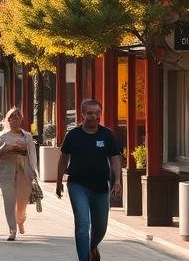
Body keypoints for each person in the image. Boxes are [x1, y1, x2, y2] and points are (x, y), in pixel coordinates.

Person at [56, 99, 123, 261]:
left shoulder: (106, 135)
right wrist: (59, 182)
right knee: (82, 224)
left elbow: (115, 158)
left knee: (100, 228)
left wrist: (118, 181)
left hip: (101, 187)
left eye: (97, 113)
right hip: (77, 185)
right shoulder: (73, 135)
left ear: (100, 115)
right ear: (82, 114)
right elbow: (64, 159)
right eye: (90, 113)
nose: (93, 116)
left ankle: (92, 247)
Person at [0, 107, 37, 240]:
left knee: (22, 203)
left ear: (21, 120)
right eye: (12, 118)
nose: (15, 120)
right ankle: (12, 230)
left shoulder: (27, 136)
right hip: (6, 173)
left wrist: (34, 171)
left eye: (18, 118)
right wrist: (9, 148)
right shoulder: (3, 135)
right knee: (9, 202)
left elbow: (32, 155)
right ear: (8, 120)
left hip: (24, 173)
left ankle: (20, 220)